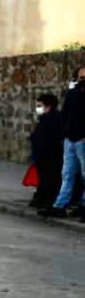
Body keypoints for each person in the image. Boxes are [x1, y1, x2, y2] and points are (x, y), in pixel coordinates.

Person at [40, 64, 85, 220]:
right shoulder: (73, 93)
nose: (81, 80)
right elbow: (66, 113)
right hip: (70, 138)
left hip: (81, 139)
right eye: (80, 77)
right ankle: (60, 205)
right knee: (67, 174)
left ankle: (82, 206)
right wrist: (65, 132)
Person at [29, 93, 64, 209]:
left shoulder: (53, 119)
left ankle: (45, 200)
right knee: (44, 178)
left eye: (39, 106)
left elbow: (50, 138)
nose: (37, 108)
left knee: (49, 179)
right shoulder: (46, 118)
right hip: (43, 156)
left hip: (49, 156)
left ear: (48, 106)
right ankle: (41, 198)